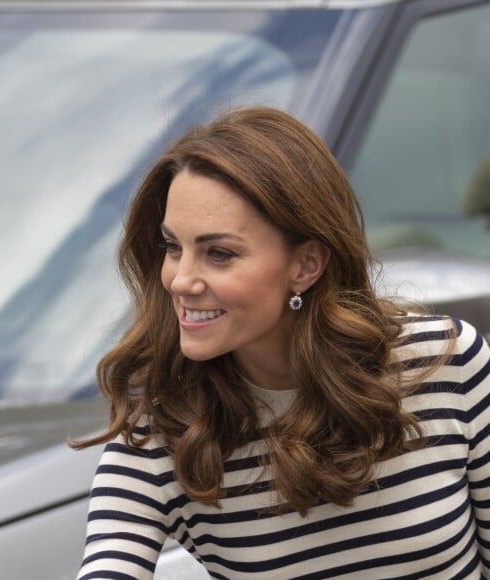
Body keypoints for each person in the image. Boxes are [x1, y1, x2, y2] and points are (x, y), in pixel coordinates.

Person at [73, 107, 490, 579]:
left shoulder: (445, 364)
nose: (180, 279)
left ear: (306, 265)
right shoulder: (163, 427)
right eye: (173, 247)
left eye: (219, 253)